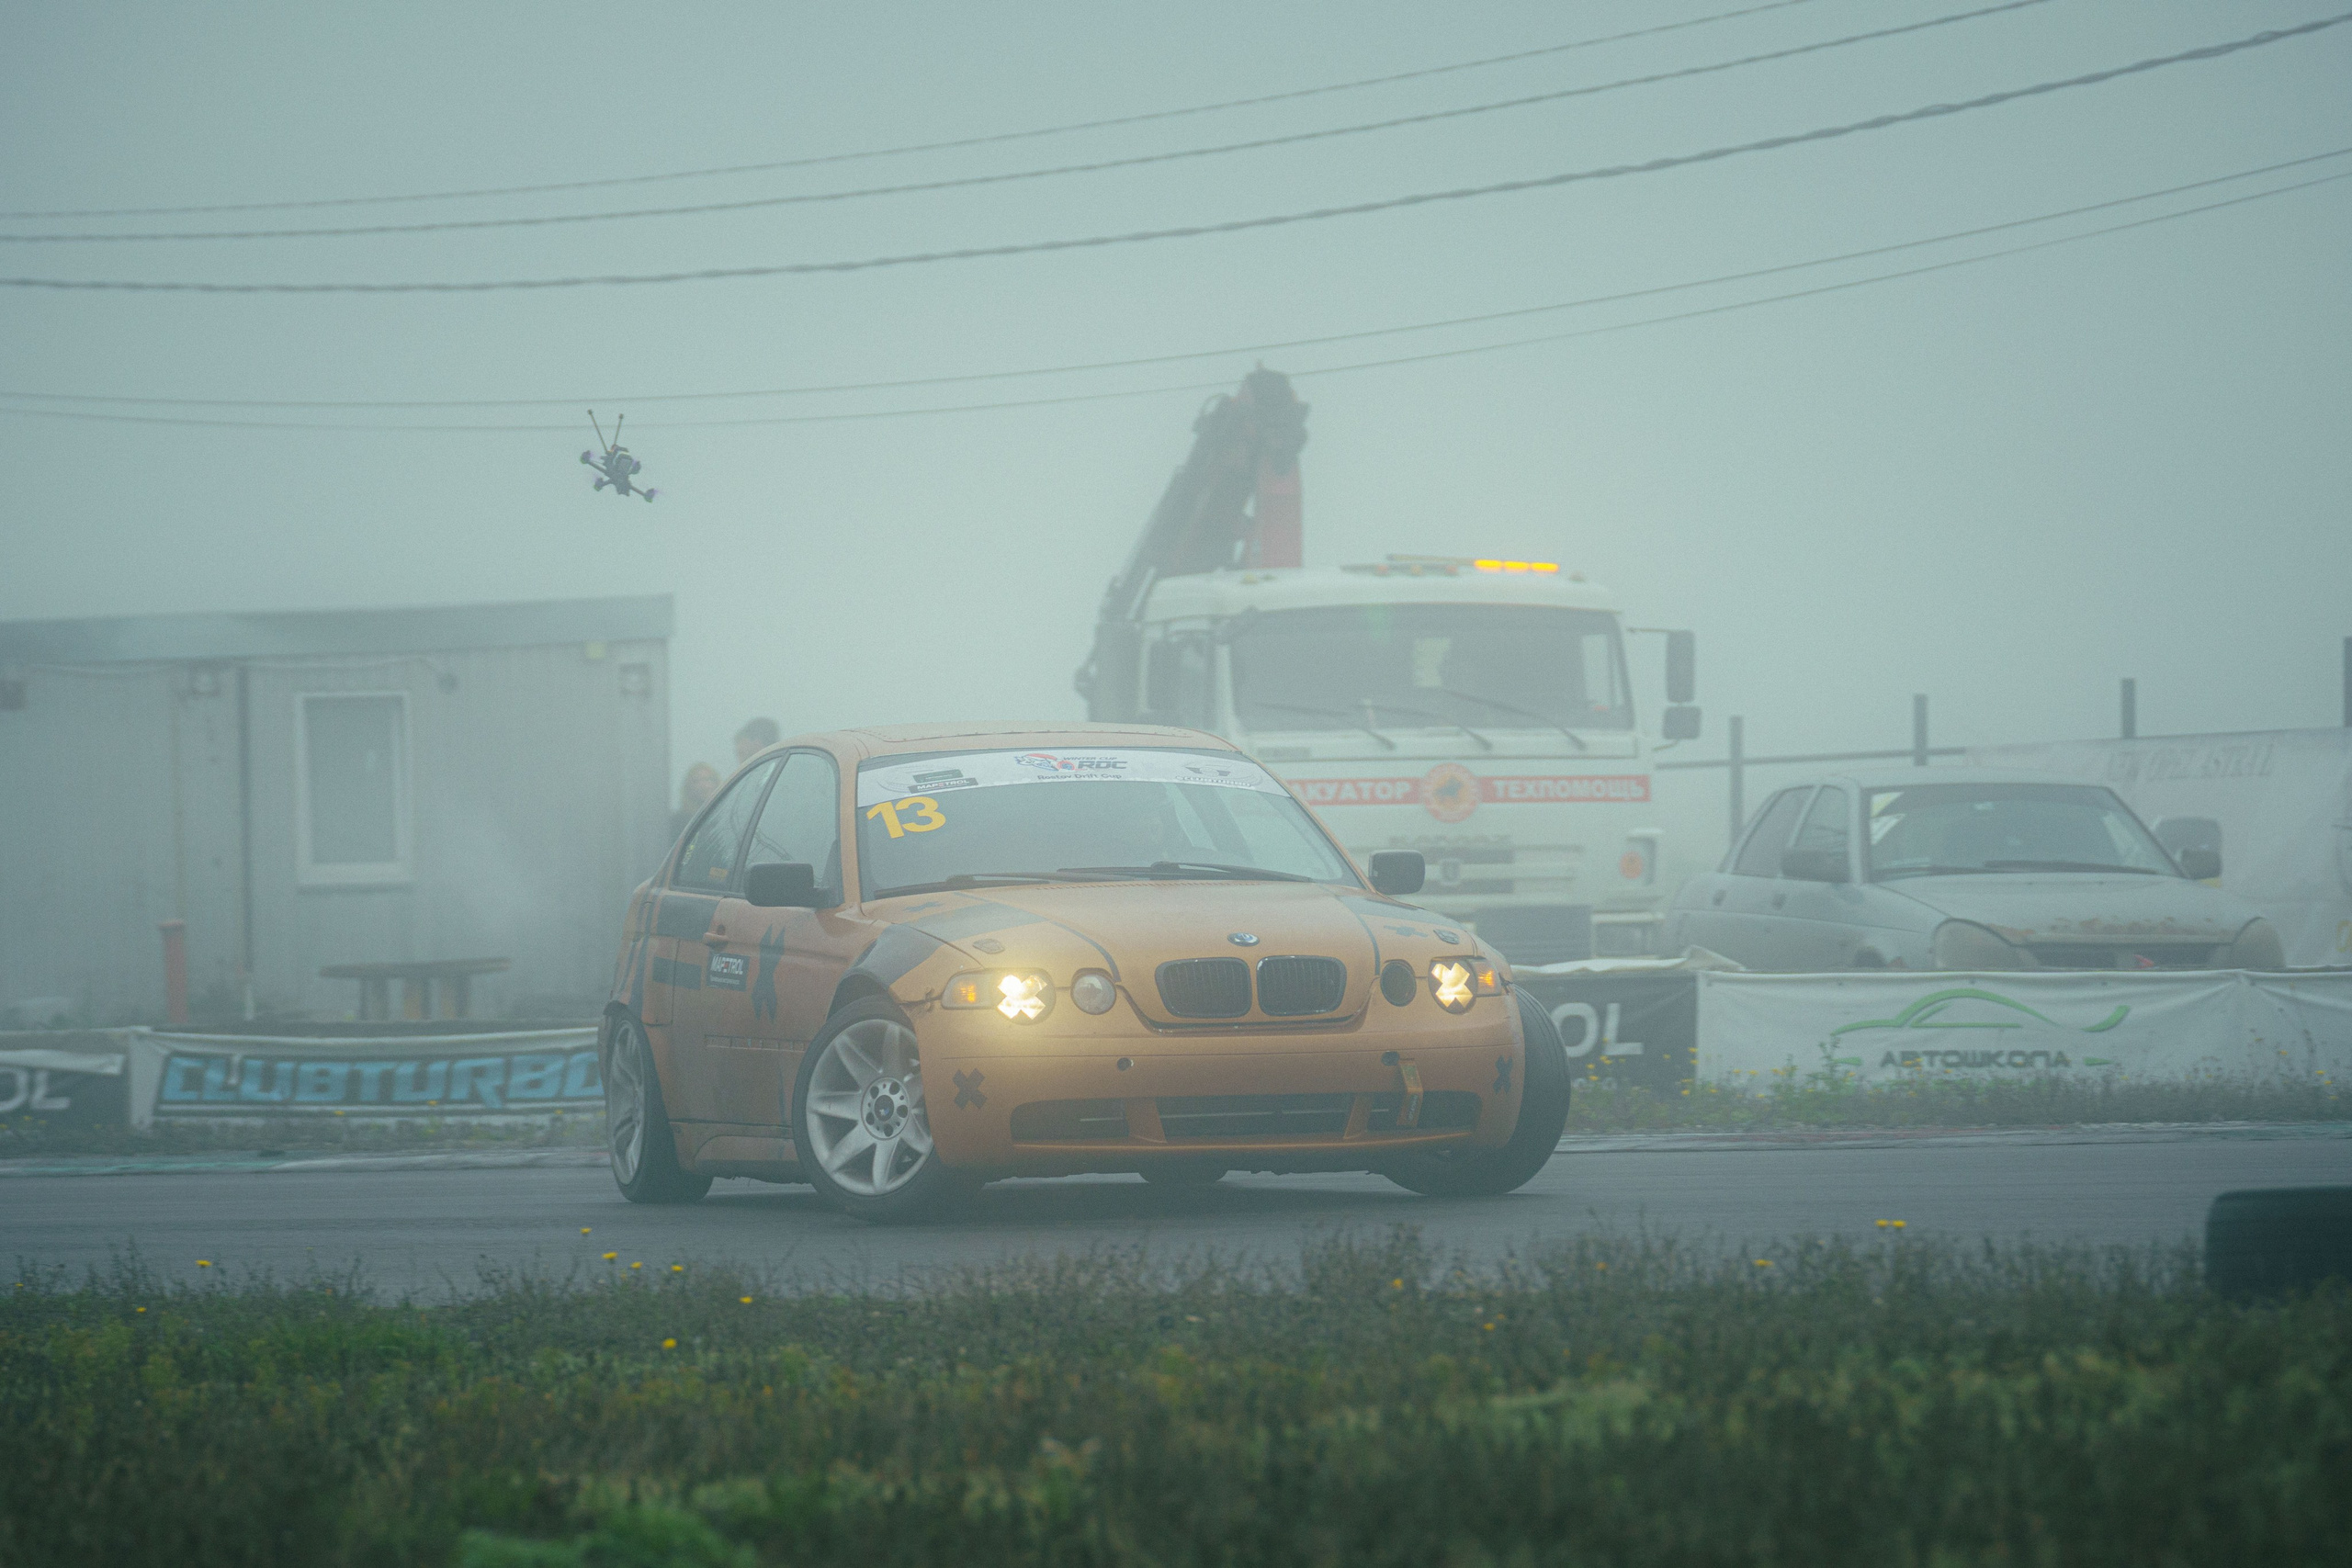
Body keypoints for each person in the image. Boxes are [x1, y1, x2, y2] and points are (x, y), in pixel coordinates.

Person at [670, 761, 719, 845]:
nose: (703, 785)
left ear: (716, 783)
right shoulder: (679, 821)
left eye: (708, 779)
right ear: (688, 787)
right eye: (697, 781)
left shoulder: (724, 815)